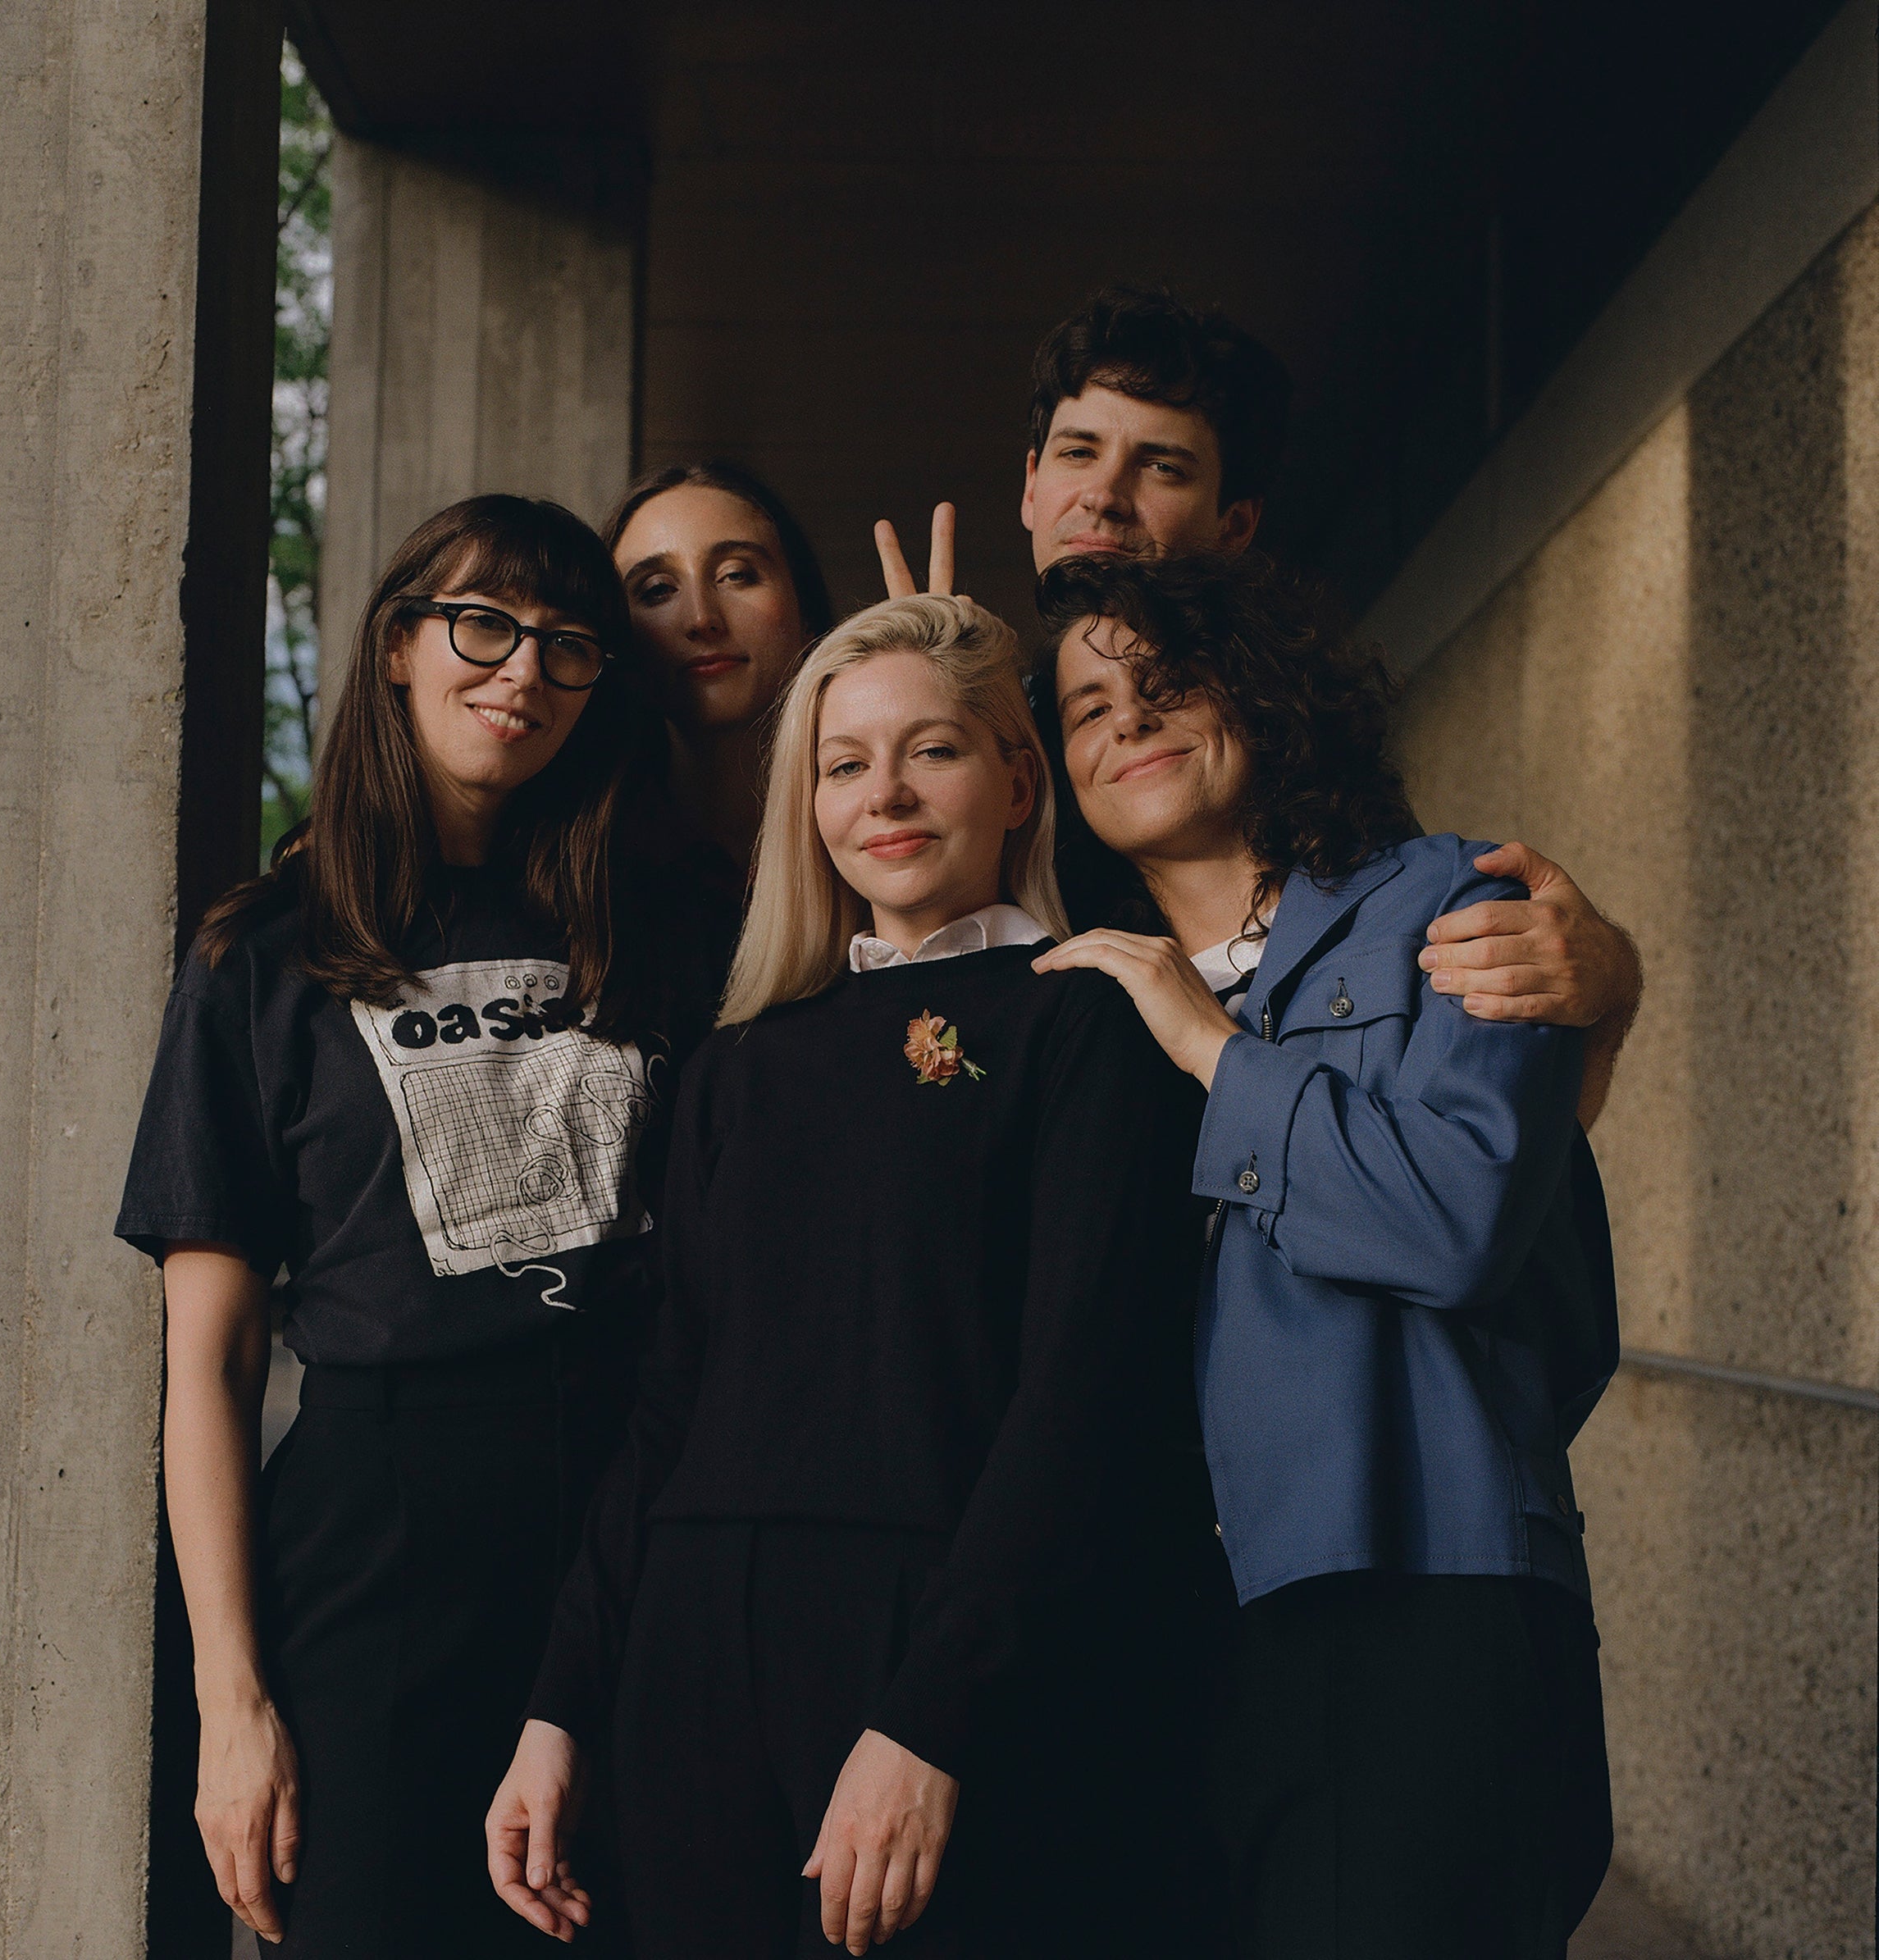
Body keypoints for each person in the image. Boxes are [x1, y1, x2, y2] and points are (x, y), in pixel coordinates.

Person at [486, 593, 1205, 1956]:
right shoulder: (736, 1063)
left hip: (933, 1646)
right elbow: (668, 1410)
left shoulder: (1082, 1024)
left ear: (1018, 777)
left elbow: (1078, 1402)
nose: (883, 793)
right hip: (691, 1665)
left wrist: (933, 1713)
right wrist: (561, 1702)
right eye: (840, 761)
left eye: (931, 750)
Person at [116, 495, 725, 1955]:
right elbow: (206, 1364)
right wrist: (233, 1704)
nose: (521, 671)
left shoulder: (673, 924)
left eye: (569, 646)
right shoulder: (262, 952)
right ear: (398, 647)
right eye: (484, 624)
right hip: (377, 1537)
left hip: (630, 1515)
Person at [1033, 549, 1616, 1958]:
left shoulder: (1449, 903)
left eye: (1168, 678)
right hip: (1148, 1614)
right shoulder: (1056, 995)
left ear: (1265, 689)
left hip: (1413, 1578)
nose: (1127, 717)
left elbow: (1455, 1227)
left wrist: (1211, 1048)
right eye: (1086, 703)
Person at [879, 285, 1644, 1097]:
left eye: (1160, 465)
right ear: (1031, 483)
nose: (1102, 494)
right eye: (1077, 453)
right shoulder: (971, 734)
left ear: (1234, 525)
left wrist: (1606, 979)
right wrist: (914, 707)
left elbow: (1481, 1119)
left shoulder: (1282, 749)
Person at [604, 459, 836, 871]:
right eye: (657, 590)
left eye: (736, 575)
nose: (702, 619)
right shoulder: (580, 858)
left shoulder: (877, 817)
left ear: (806, 614)